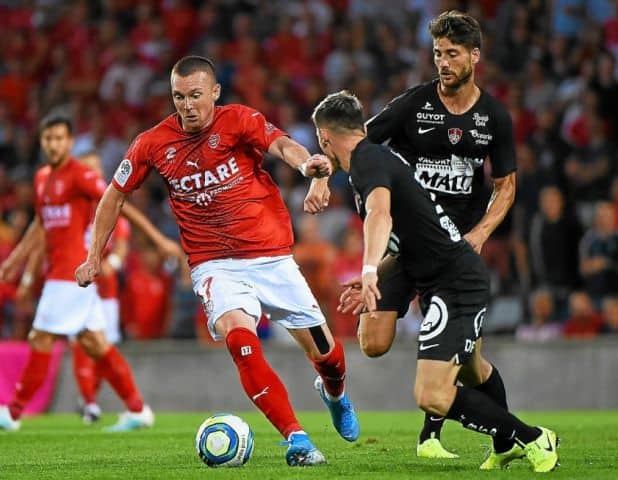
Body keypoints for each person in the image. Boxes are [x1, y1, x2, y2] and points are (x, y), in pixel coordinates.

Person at [75, 55, 359, 467]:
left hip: (271, 257)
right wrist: (92, 256)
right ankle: (296, 438)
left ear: (214, 92)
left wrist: (305, 165)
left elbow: (280, 143)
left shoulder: (239, 119)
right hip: (215, 264)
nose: (187, 105)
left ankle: (333, 394)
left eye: (194, 95)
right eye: (178, 97)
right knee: (240, 342)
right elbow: (114, 194)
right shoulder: (152, 142)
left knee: (329, 357)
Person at [312, 89, 559, 473]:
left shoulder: (367, 161)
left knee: (431, 394)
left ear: (324, 139)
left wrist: (367, 268)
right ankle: (507, 444)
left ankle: (532, 438)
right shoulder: (376, 157)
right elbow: (409, 240)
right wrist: (376, 277)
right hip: (440, 276)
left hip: (456, 282)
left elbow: (380, 214)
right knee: (474, 372)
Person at [318, 10, 518, 462]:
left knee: (467, 364)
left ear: (474, 57)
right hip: (403, 245)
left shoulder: (494, 117)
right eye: (437, 54)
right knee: (372, 341)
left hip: (451, 251)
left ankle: (484, 440)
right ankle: (442, 428)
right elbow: (357, 143)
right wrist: (320, 173)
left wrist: (481, 232)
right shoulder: (413, 104)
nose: (443, 62)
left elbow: (506, 185)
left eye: (452, 54)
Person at [0, 116, 162, 432]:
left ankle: (13, 412)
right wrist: (15, 261)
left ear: (70, 141)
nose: (53, 144)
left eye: (60, 138)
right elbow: (40, 224)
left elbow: (115, 201)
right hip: (61, 274)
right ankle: (138, 409)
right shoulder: (42, 178)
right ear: (42, 141)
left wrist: (156, 239)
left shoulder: (80, 175)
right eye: (48, 138)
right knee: (94, 343)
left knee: (41, 337)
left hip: (70, 274)